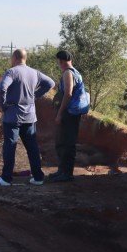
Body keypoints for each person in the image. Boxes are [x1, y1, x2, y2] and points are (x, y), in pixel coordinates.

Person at [0, 48, 55, 186]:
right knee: (32, 147)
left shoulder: (12, 72)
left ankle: (6, 178)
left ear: (15, 58)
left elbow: (2, 88)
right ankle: (38, 177)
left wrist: (3, 106)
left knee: (10, 146)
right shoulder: (35, 73)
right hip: (29, 116)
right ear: (25, 58)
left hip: (12, 117)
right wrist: (36, 95)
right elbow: (51, 83)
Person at [49, 50, 90, 182]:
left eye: (58, 61)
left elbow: (68, 94)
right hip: (72, 112)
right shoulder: (75, 72)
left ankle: (66, 173)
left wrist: (59, 114)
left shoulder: (68, 73)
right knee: (64, 142)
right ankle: (62, 171)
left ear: (60, 61)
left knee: (67, 143)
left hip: (69, 113)